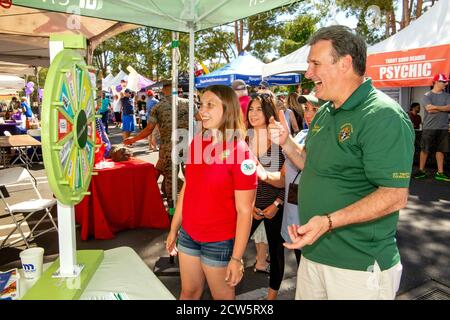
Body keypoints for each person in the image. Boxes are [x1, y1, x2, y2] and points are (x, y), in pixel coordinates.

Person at [269, 25, 414, 300]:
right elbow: (310, 163)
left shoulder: (382, 116)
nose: (308, 73)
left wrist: (328, 222)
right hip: (314, 255)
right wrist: (287, 143)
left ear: (345, 63)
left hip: (358, 267)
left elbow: (394, 196)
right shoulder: (325, 112)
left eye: (315, 63)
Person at [165, 85, 257, 300]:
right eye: (201, 105)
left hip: (219, 241)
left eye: (209, 105)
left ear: (227, 109)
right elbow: (188, 188)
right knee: (188, 293)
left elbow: (245, 211)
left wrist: (236, 258)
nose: (201, 111)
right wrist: (174, 227)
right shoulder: (198, 142)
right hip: (189, 235)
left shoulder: (241, 153)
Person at [258, 94, 321, 267]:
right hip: (295, 219)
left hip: (318, 223)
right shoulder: (300, 135)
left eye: (315, 109)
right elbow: (284, 177)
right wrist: (263, 174)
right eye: (307, 109)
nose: (309, 114)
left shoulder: (329, 140)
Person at [123, 81, 200, 206]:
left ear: (164, 90)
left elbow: (149, 129)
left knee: (170, 178)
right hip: (188, 145)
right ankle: (196, 204)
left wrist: (132, 140)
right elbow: (201, 122)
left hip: (169, 148)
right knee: (192, 176)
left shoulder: (158, 107)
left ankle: (171, 208)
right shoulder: (189, 103)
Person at [246, 93, 285, 300]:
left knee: (277, 252)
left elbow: (290, 177)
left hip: (275, 207)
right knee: (234, 245)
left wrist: (277, 204)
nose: (253, 114)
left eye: (259, 109)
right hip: (250, 207)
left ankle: (271, 298)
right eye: (251, 109)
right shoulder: (243, 139)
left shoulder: (281, 140)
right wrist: (248, 205)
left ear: (268, 111)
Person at [413, 73, 450, 181]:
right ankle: (421, 170)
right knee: (425, 150)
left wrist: (436, 107)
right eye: (444, 82)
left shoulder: (447, 95)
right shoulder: (427, 95)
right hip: (429, 127)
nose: (446, 83)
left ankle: (440, 172)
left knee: (440, 150)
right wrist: (443, 108)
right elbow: (429, 109)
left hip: (442, 127)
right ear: (437, 82)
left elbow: (449, 108)